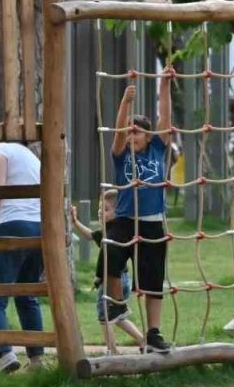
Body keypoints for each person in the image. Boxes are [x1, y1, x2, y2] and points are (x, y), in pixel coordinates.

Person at [107, 73, 174, 353]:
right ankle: (115, 303)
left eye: (137, 131)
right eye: (129, 131)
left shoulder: (158, 150)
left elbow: (165, 120)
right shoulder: (121, 154)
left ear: (149, 136)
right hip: (124, 220)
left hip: (152, 223)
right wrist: (125, 102)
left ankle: (153, 333)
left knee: (152, 280)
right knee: (109, 257)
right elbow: (118, 132)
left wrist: (164, 86)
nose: (131, 135)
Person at [0, 141, 45, 372]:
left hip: (11, 224)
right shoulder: (33, 158)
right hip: (39, 227)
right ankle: (37, 359)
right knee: (27, 294)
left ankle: (4, 353)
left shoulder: (1, 149)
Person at [71, 192, 145, 355]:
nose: (99, 212)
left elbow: (91, 237)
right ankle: (143, 341)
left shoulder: (113, 231)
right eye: (99, 208)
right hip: (123, 278)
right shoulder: (112, 230)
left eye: (105, 209)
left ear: (119, 213)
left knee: (104, 317)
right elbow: (90, 235)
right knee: (118, 317)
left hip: (112, 281)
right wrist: (75, 222)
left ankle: (112, 350)